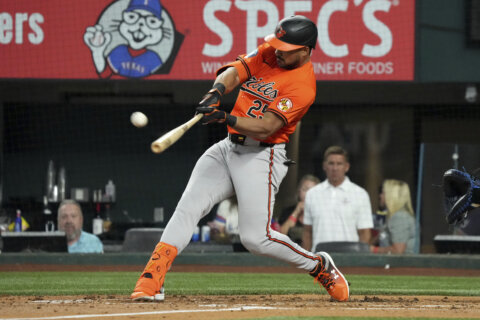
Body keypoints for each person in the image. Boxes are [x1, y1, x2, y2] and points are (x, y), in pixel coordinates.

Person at [131, 15, 349, 302]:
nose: (279, 51)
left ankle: (318, 265)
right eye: (279, 44)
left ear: (306, 51)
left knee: (255, 239)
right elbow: (235, 71)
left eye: (287, 48)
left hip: (262, 155)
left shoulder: (303, 86)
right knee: (188, 207)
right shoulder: (271, 53)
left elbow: (267, 126)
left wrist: (224, 115)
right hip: (227, 148)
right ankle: (151, 278)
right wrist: (216, 92)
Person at [303, 146, 373, 252]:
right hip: (319, 260)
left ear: (347, 167)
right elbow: (307, 232)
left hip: (350, 260)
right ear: (324, 166)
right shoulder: (312, 194)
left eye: (339, 164)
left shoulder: (360, 194)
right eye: (331, 163)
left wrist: (360, 260)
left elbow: (365, 233)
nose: (335, 168)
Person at [370, 179, 416, 254]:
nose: (380, 196)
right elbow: (382, 236)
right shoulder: (393, 217)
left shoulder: (400, 217)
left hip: (401, 265)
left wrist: (374, 250)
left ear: (391, 196)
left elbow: (398, 251)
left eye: (383, 193)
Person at [278, 174, 320, 245]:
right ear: (299, 191)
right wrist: (296, 212)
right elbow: (280, 236)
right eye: (305, 189)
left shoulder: (322, 213)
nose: (309, 194)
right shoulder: (288, 211)